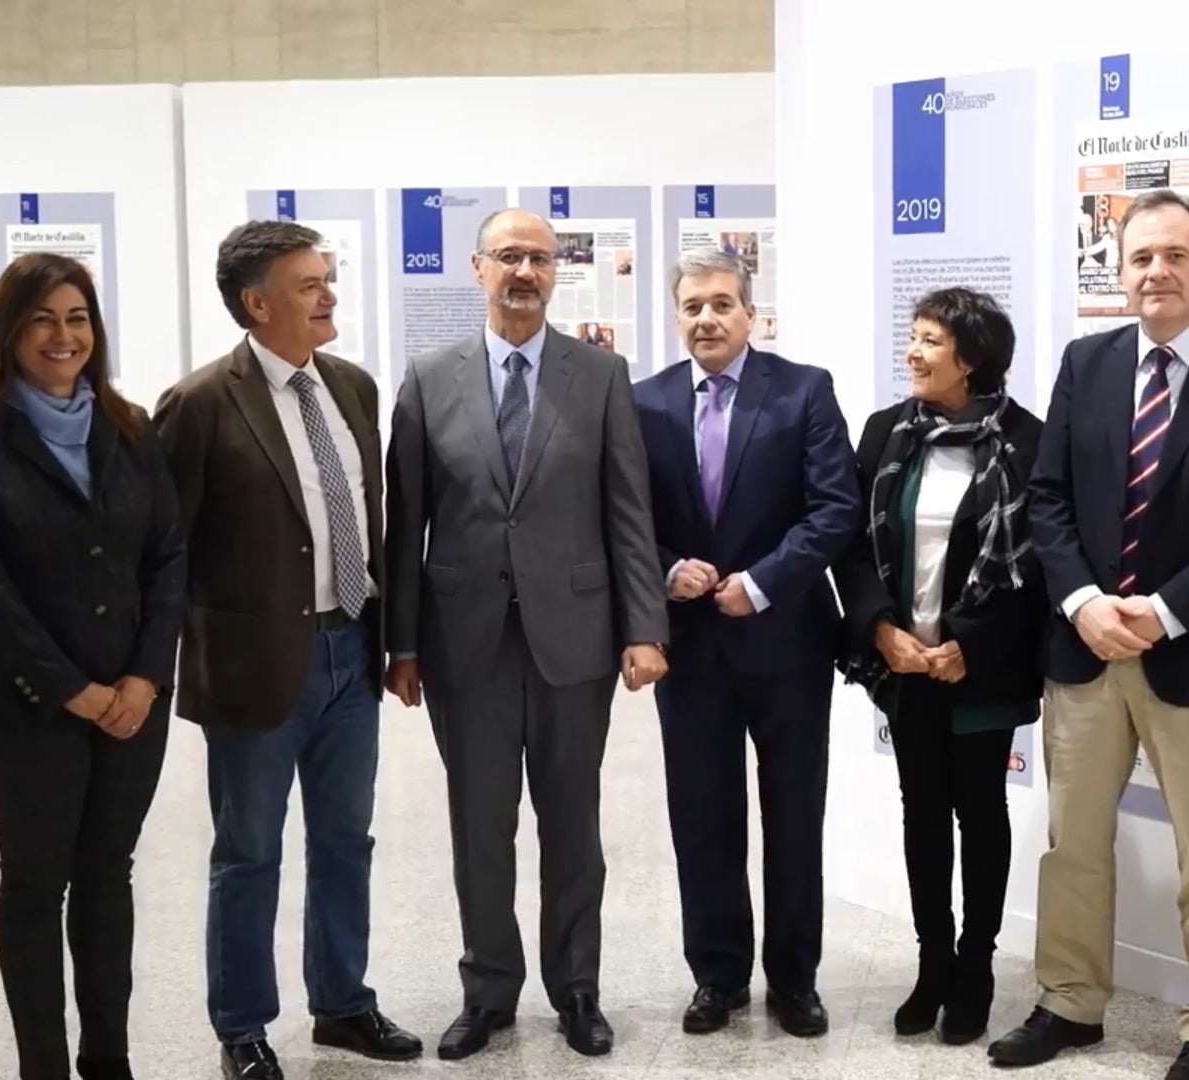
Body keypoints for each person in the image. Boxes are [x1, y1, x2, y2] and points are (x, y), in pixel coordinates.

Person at [994, 188, 1189, 1079]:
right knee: (1073, 846)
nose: (1157, 271)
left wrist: (1163, 612)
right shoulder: (1085, 362)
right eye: (1140, 258)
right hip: (1084, 652)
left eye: (1175, 255)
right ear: (1119, 272)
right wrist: (1084, 602)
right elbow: (1047, 497)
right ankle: (1070, 1002)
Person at [384, 208, 670, 1061]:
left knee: (573, 824)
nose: (524, 272)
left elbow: (629, 513)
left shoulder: (601, 375)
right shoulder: (428, 377)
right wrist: (403, 644)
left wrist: (644, 627)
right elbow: (406, 523)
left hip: (574, 641)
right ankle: (488, 993)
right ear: (478, 268)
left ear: (556, 273)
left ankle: (577, 989)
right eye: (508, 256)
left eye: (539, 259)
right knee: (480, 827)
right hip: (463, 642)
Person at [152, 221, 421, 1080]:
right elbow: (164, 551)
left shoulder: (352, 387)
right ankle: (241, 1027)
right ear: (257, 303)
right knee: (249, 853)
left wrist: (396, 641)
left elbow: (373, 524)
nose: (329, 296)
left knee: (345, 841)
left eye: (327, 279)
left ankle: (342, 1004)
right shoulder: (199, 403)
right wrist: (157, 669)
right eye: (309, 285)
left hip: (351, 652)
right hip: (255, 669)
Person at [0, 253, 184, 1080]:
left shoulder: (130, 426)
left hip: (132, 707)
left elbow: (167, 558)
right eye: (41, 319)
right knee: (36, 885)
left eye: (76, 318)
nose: (62, 336)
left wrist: (145, 677)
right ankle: (43, 1066)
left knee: (108, 878)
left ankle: (108, 1059)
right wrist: (71, 689)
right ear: (9, 331)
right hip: (28, 709)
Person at [632, 248, 859, 1039]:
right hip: (690, 650)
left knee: (793, 817)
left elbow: (835, 508)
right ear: (677, 315)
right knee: (702, 816)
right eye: (692, 305)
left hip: (787, 643)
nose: (707, 318)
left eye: (722, 304)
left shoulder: (804, 390)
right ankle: (718, 976)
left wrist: (760, 583)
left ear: (750, 314)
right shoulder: (644, 402)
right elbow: (624, 516)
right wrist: (667, 569)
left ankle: (794, 980)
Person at [834, 287, 1045, 1047]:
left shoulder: (1027, 441)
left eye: (930, 340)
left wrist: (970, 643)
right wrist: (881, 628)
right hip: (904, 663)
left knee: (980, 813)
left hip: (981, 667)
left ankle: (975, 967)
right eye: (914, 336)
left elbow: (1038, 567)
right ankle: (933, 964)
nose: (913, 352)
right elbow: (852, 544)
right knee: (922, 813)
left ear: (973, 359)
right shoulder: (888, 431)